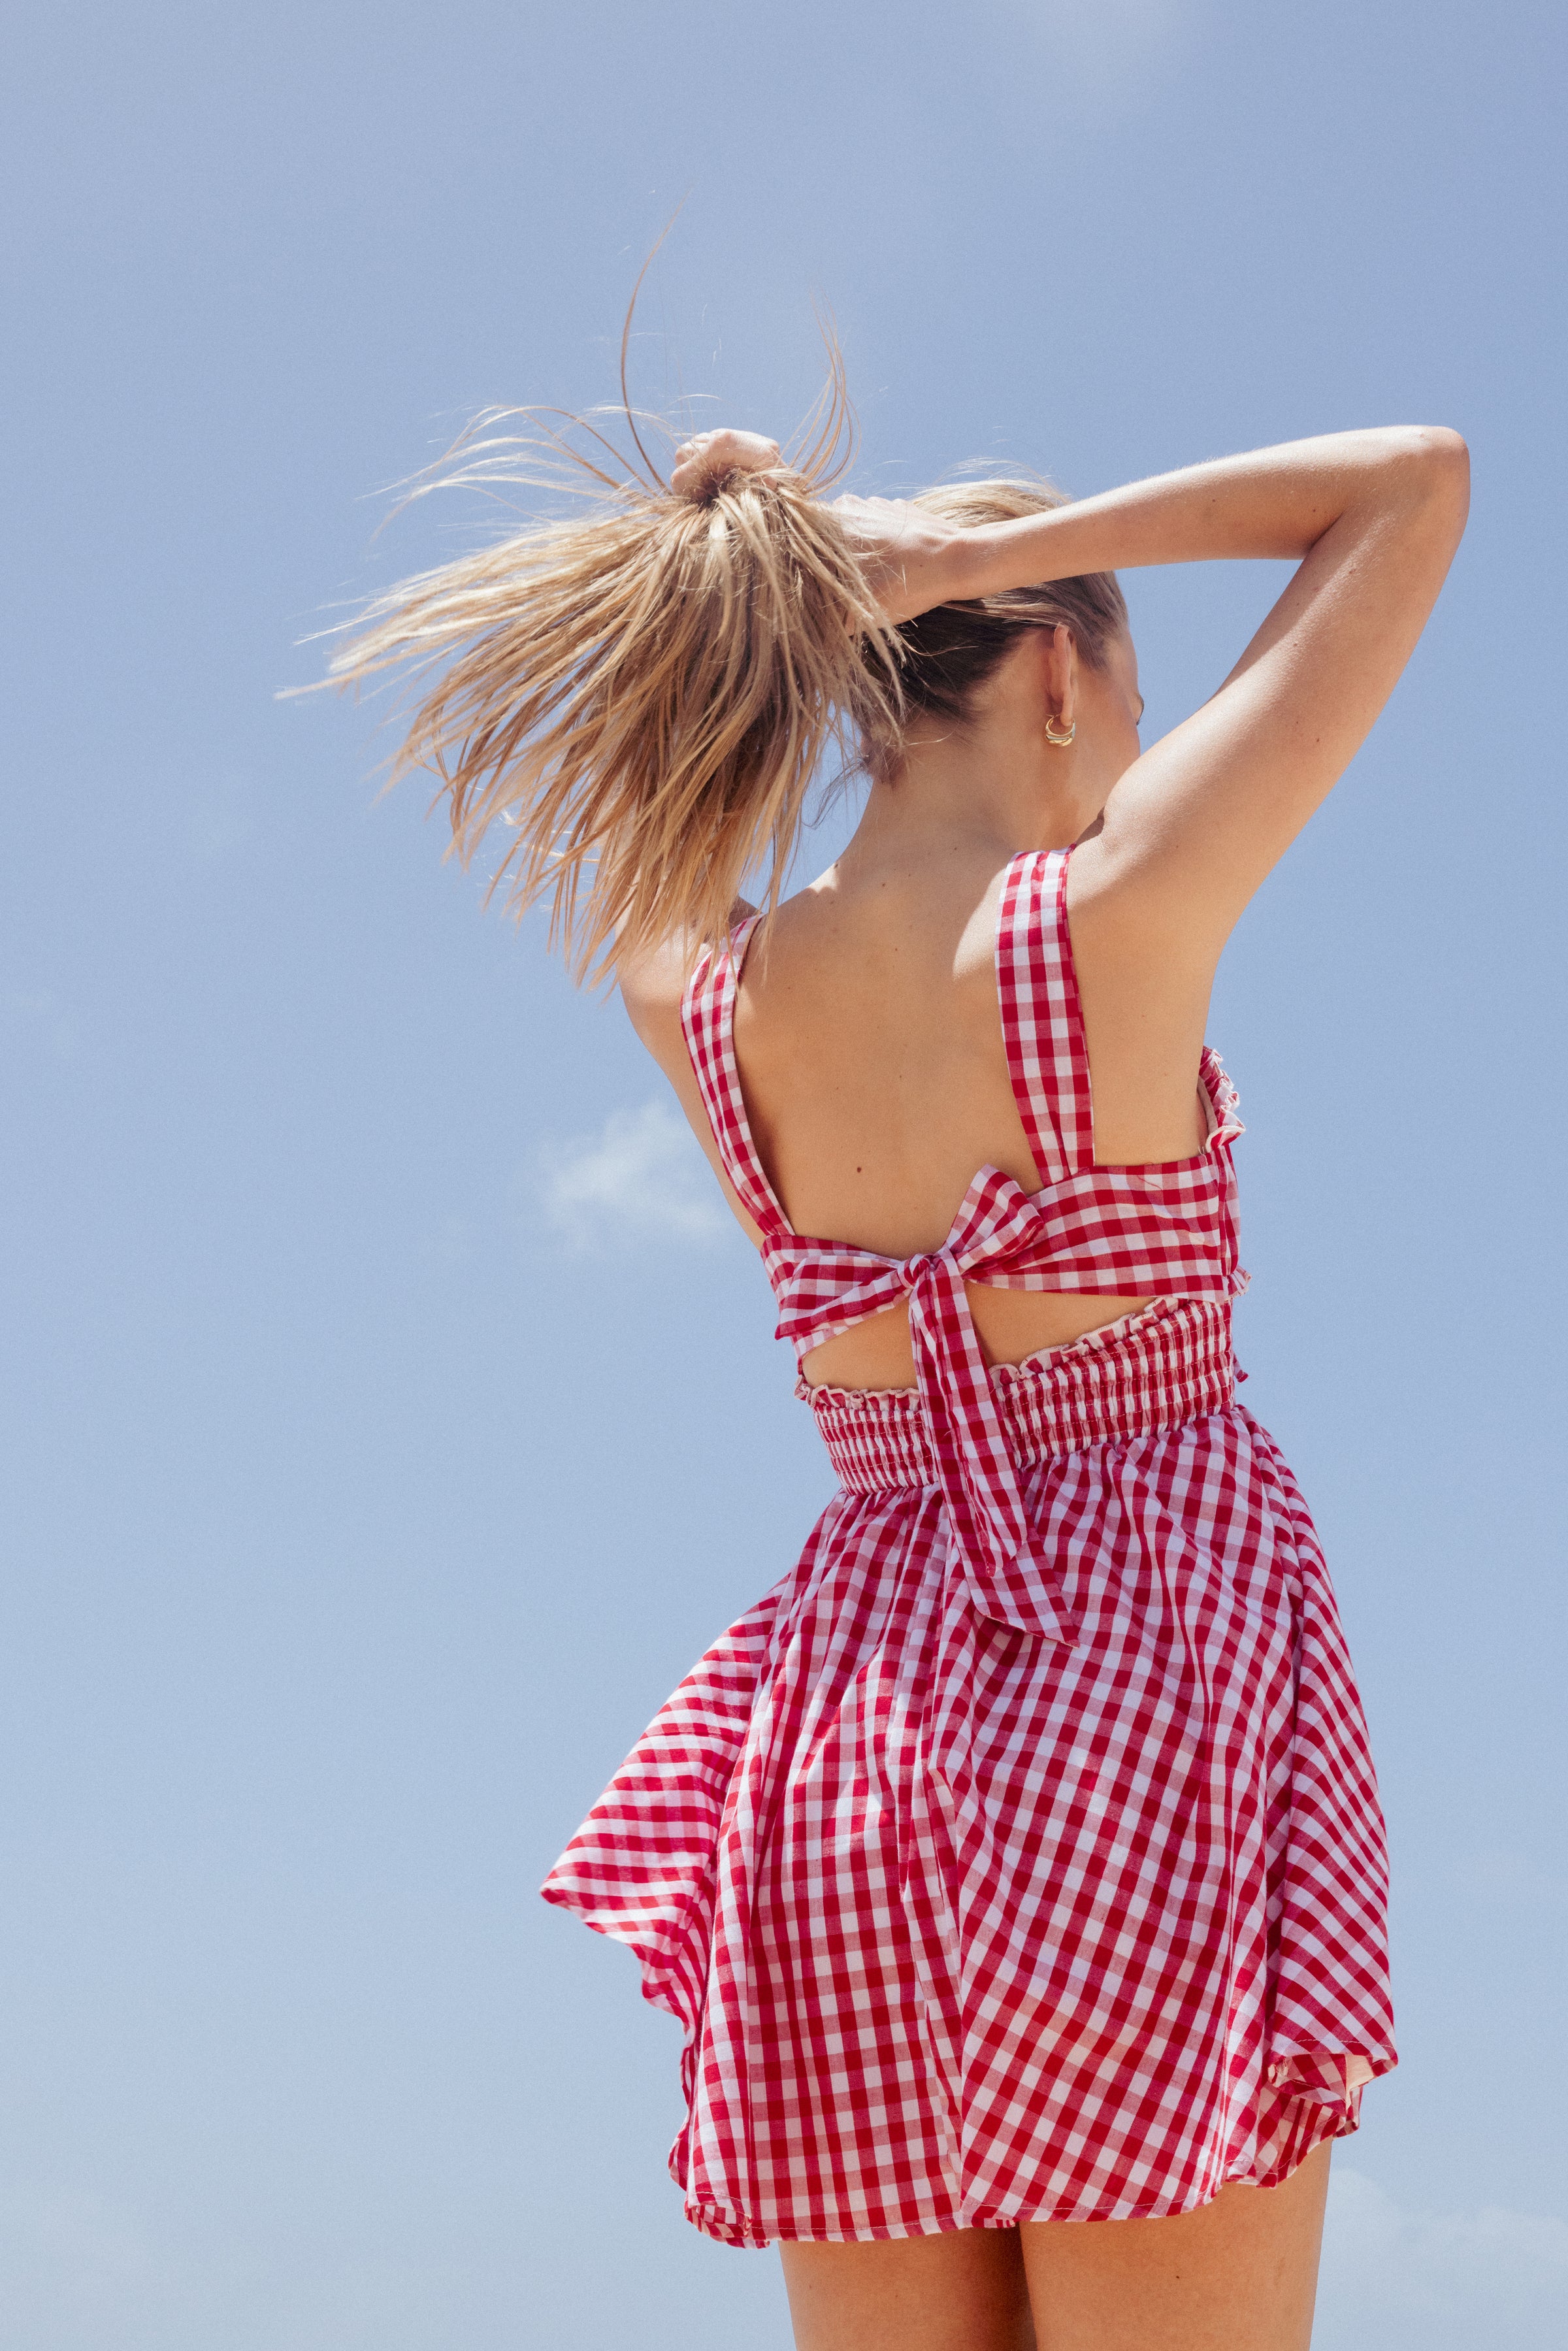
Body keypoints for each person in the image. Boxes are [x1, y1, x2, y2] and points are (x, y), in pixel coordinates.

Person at [327, 389, 1467, 2350]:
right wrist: (945, 558)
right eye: (1126, 701)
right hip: (1140, 1695)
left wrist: (752, 577)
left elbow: (652, 794)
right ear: (1052, 666)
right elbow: (1412, 485)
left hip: (847, 1742)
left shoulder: (703, 986)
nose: (1129, 752)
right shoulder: (1109, 918)